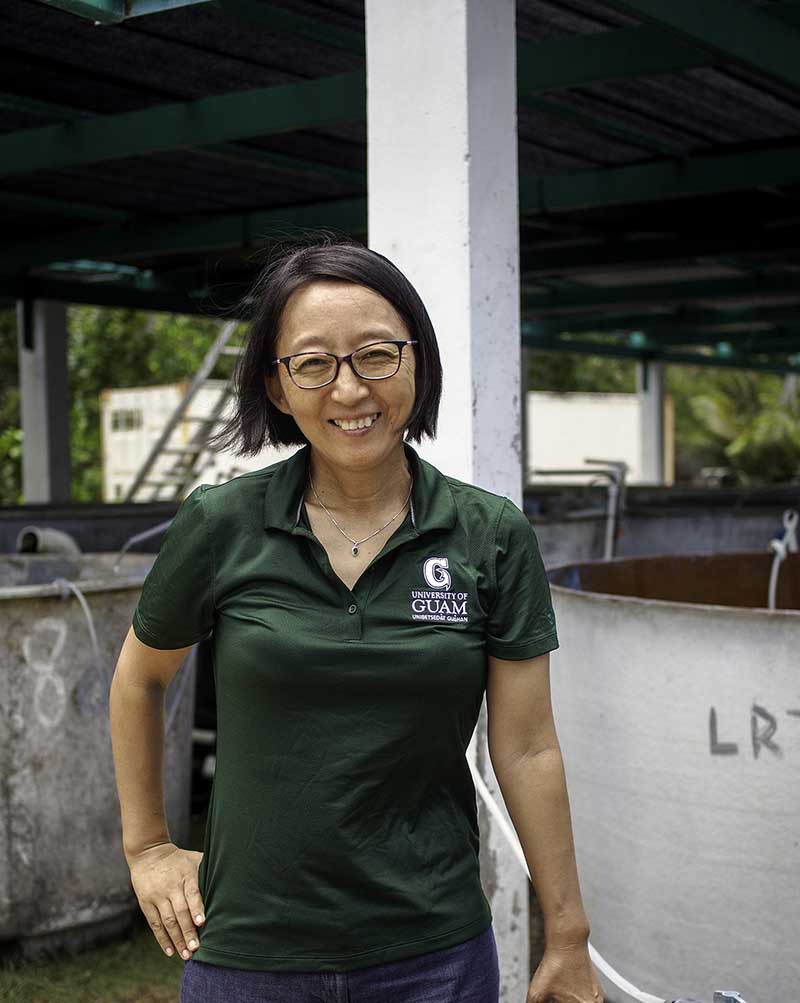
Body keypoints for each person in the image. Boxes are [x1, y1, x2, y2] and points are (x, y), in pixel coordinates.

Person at [109, 236, 602, 1003]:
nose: (349, 389)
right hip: (248, 950)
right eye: (312, 362)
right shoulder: (221, 523)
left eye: (376, 354)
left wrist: (567, 935)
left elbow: (529, 746)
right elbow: (139, 679)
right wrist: (146, 847)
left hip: (432, 953)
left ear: (416, 360)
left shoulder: (490, 534)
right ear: (276, 386)